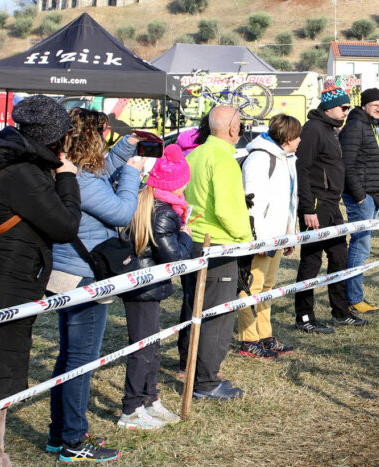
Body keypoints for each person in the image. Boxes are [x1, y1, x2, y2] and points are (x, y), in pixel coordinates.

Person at [0, 96, 81, 467]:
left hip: (8, 284)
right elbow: (65, 226)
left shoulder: (21, 165)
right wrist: (68, 176)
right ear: (53, 136)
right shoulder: (21, 173)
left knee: (1, 382)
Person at [46, 108, 141, 461]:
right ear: (93, 135)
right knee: (81, 362)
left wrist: (127, 148)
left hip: (68, 270)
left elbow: (102, 174)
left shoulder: (74, 169)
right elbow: (119, 212)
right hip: (82, 275)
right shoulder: (82, 179)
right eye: (105, 132)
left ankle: (60, 435)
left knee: (69, 356)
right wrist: (132, 176)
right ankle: (73, 438)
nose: (108, 137)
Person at [178, 106, 253, 401]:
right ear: (234, 130)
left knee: (192, 310)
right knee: (217, 317)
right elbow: (226, 208)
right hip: (218, 245)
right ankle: (206, 382)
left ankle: (189, 365)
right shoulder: (223, 159)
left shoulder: (194, 154)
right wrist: (246, 239)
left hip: (192, 243)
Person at [117, 145, 191, 429]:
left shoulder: (152, 202)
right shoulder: (165, 213)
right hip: (144, 286)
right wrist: (185, 236)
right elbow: (173, 257)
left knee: (152, 345)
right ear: (177, 183)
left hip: (145, 283)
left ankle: (150, 398)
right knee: (143, 348)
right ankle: (131, 409)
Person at [295, 87, 365, 332]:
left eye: (348, 108)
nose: (346, 112)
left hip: (332, 204)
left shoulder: (330, 129)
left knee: (339, 257)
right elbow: (302, 169)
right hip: (315, 205)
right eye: (343, 107)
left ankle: (340, 311)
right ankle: (304, 317)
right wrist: (307, 208)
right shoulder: (313, 129)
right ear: (329, 107)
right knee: (311, 261)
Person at [237, 114, 301, 359]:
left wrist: (289, 234)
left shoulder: (287, 158)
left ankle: (264, 335)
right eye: (297, 136)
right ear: (286, 138)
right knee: (250, 287)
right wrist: (259, 240)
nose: (300, 141)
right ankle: (248, 339)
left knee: (267, 286)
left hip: (278, 236)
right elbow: (251, 202)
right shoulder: (259, 158)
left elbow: (288, 200)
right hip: (261, 239)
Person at [339, 88, 379, 316]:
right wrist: (360, 196)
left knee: (363, 248)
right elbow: (347, 165)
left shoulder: (368, 125)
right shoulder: (356, 126)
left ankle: (356, 296)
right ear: (364, 105)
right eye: (374, 104)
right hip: (362, 198)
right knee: (360, 247)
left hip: (371, 196)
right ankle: (354, 299)